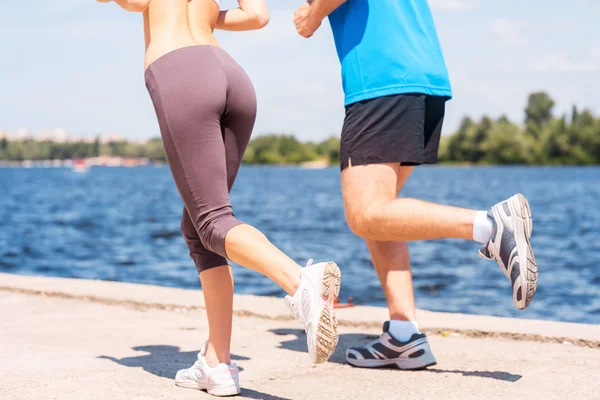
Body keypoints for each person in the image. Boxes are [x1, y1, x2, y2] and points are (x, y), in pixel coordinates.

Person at [98, 0, 341, 396]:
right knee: (198, 227)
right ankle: (218, 364)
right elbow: (258, 15)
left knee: (212, 221)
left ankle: (301, 282)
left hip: (181, 70)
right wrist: (208, 15)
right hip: (231, 75)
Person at [293, 0, 538, 370]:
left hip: (382, 78)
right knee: (381, 213)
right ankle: (404, 336)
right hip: (423, 76)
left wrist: (313, 14)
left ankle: (490, 226)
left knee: (365, 213)